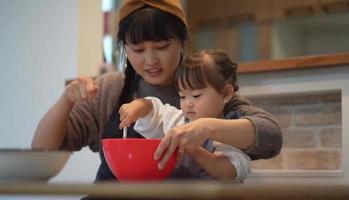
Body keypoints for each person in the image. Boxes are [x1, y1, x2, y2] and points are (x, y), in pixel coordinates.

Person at [32, 0, 282, 182]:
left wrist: (207, 127)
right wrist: (66, 100)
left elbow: (270, 137)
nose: (150, 60)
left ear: (182, 42)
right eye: (138, 50)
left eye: (162, 46)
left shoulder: (204, 88)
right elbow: (41, 155)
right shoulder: (110, 89)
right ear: (124, 49)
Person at [119, 49, 251, 182]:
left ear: (226, 93)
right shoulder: (176, 121)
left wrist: (193, 149)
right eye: (182, 96)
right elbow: (155, 110)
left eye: (196, 96)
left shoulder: (230, 131)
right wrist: (140, 106)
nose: (188, 103)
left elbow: (229, 173)